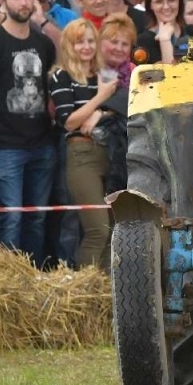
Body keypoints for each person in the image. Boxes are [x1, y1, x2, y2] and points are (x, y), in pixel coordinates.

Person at [0, 0, 58, 262]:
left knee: (36, 219)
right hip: (4, 146)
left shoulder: (43, 44)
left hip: (42, 144)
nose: (24, 3)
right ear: (2, 0)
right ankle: (11, 278)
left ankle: (34, 275)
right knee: (11, 219)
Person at [49, 20, 121, 271]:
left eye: (91, 41)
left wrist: (99, 114)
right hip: (81, 153)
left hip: (110, 153)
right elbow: (68, 121)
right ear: (69, 45)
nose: (86, 46)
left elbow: (120, 112)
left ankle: (106, 290)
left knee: (113, 231)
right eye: (80, 41)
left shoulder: (106, 74)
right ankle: (86, 288)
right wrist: (101, 99)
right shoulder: (61, 75)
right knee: (96, 230)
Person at [135, 0, 187, 65]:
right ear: (150, 5)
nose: (166, 7)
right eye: (159, 2)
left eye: (171, 0)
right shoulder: (145, 40)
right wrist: (164, 40)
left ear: (179, 1)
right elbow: (169, 75)